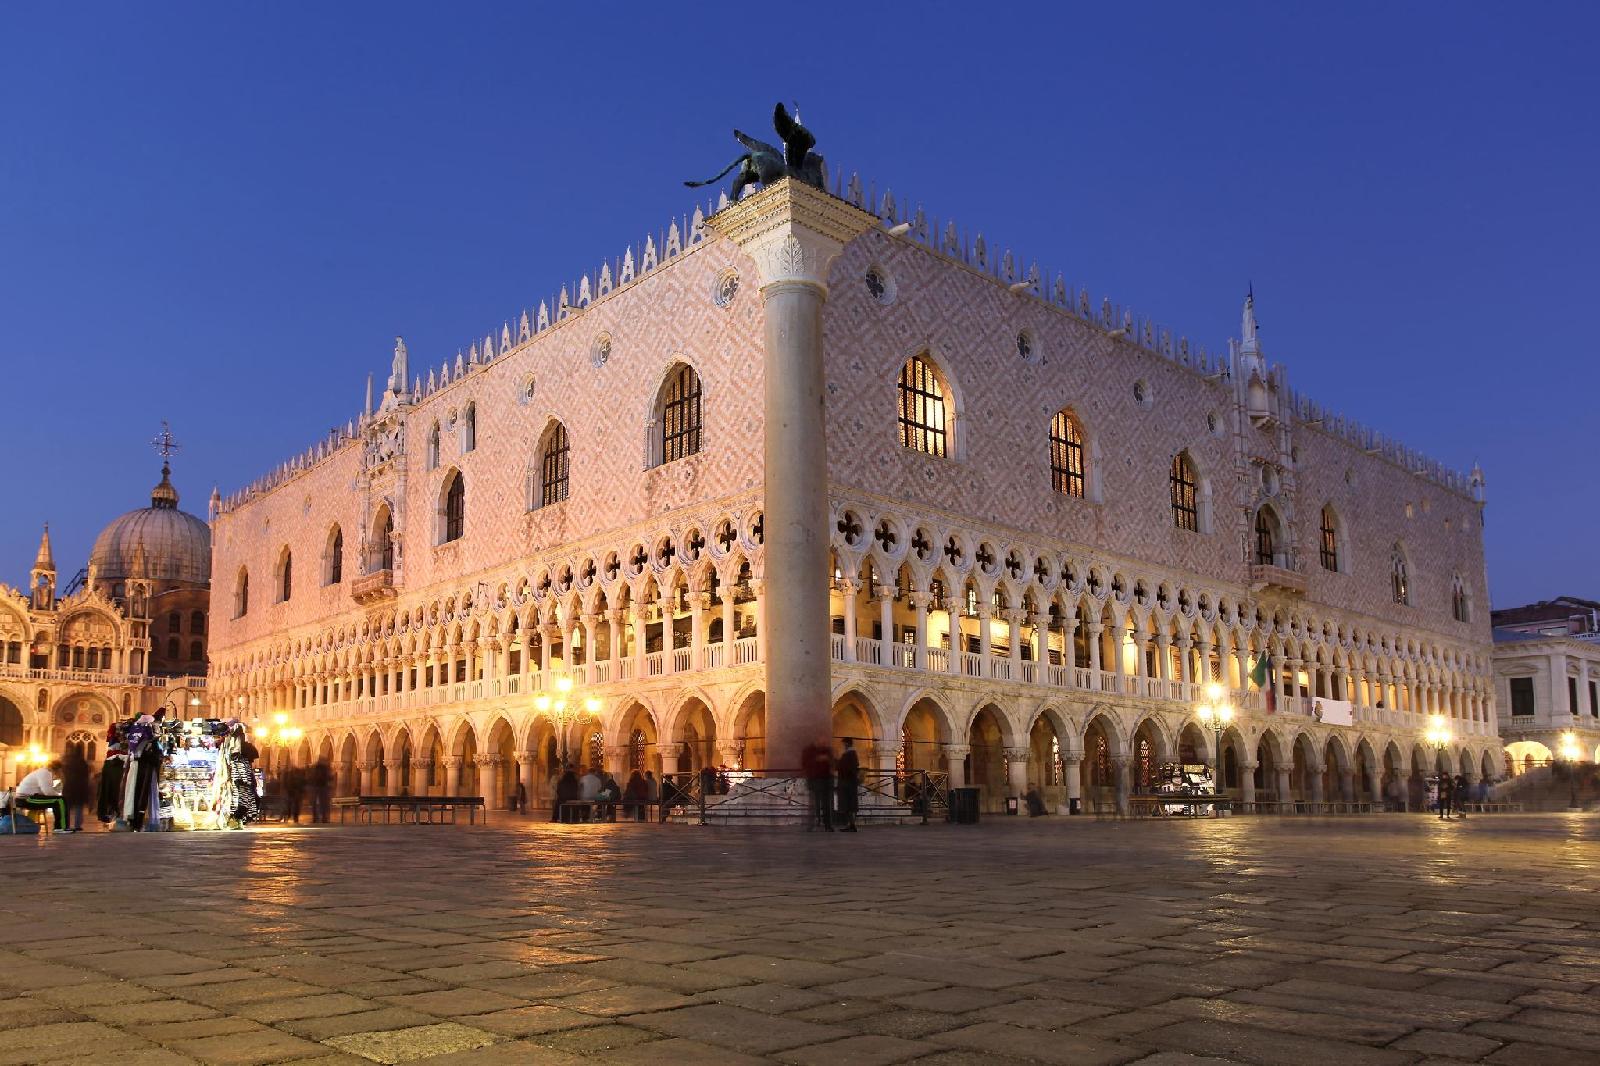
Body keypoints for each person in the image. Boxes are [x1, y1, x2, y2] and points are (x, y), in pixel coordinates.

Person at [16, 760, 71, 832]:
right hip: (26, 799)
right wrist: (58, 795)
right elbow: (47, 791)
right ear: (58, 769)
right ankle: (61, 827)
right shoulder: (45, 773)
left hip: (27, 798)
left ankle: (60, 827)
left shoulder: (43, 772)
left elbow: (47, 791)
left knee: (60, 800)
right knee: (60, 800)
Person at [801, 739, 833, 831]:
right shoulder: (809, 751)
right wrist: (817, 760)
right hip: (816, 781)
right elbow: (805, 764)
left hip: (824, 781)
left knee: (825, 804)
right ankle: (814, 824)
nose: (823, 742)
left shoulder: (827, 751)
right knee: (815, 804)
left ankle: (827, 825)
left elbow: (833, 764)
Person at [61, 749, 92, 832]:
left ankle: (65, 825)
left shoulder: (67, 763)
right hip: (80, 788)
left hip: (69, 787)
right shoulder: (83, 763)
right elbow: (87, 775)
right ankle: (77, 825)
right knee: (79, 807)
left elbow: (64, 775)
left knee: (67, 808)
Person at [836, 737, 860, 832]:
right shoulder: (851, 754)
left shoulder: (849, 754)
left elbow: (845, 767)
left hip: (848, 783)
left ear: (846, 744)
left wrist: (837, 763)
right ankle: (851, 825)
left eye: (843, 744)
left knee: (849, 805)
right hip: (850, 782)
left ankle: (852, 825)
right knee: (850, 805)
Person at [307, 758, 333, 824]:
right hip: (322, 788)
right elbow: (329, 778)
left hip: (316, 788)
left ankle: (316, 818)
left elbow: (309, 778)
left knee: (315, 804)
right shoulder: (324, 768)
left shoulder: (314, 768)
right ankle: (323, 818)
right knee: (324, 804)